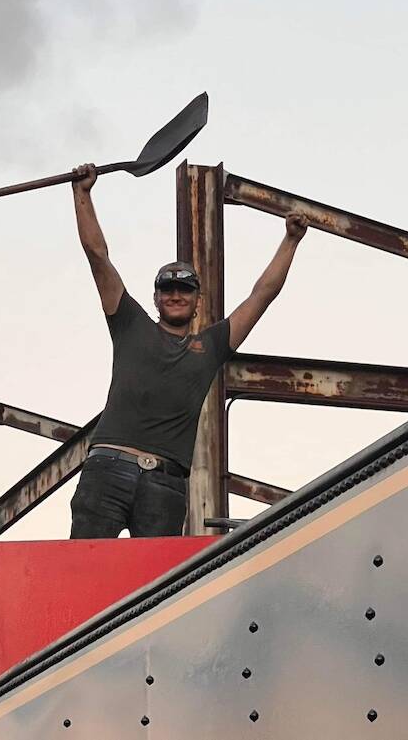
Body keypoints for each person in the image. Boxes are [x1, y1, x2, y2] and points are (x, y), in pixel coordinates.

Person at [69, 162, 308, 538]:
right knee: (80, 573)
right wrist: (82, 194)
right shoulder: (130, 323)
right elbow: (98, 256)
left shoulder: (210, 346)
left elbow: (262, 295)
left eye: (184, 290)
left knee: (156, 591)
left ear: (198, 301)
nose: (175, 295)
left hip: (165, 485)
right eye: (168, 289)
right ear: (156, 297)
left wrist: (290, 241)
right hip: (108, 470)